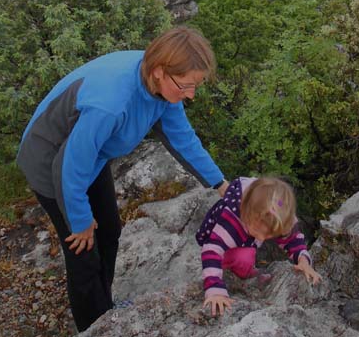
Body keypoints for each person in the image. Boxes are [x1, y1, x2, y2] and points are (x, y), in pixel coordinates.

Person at [17, 26, 228, 333]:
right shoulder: (111, 102)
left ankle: (105, 307)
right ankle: (95, 327)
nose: (191, 95)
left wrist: (221, 185)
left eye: (195, 86)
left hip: (90, 156)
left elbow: (183, 139)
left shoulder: (161, 90)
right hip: (50, 162)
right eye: (185, 86)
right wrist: (80, 221)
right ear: (159, 72)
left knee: (110, 231)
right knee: (83, 253)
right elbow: (69, 167)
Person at [196, 176, 322, 317]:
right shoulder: (231, 221)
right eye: (257, 231)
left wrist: (303, 261)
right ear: (247, 213)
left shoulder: (278, 214)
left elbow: (292, 238)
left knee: (249, 253)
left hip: (244, 242)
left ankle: (246, 272)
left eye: (269, 235)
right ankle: (239, 271)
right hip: (219, 244)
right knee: (244, 256)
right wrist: (215, 290)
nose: (262, 238)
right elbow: (211, 250)